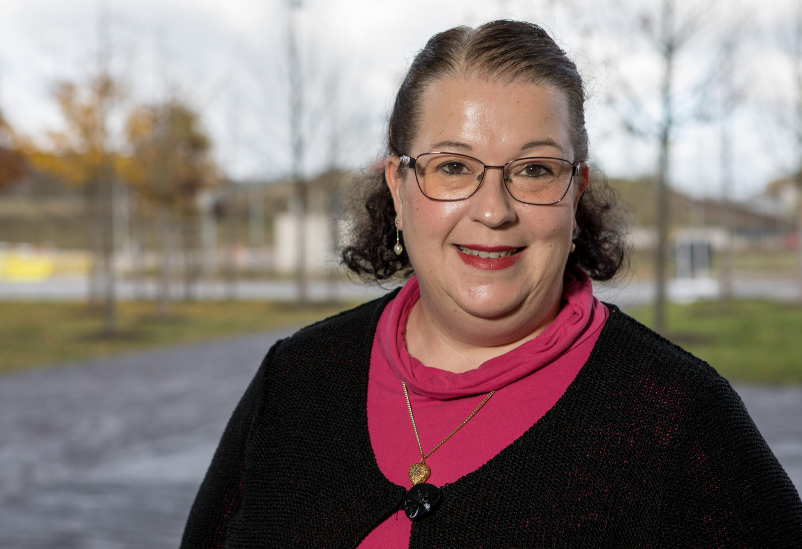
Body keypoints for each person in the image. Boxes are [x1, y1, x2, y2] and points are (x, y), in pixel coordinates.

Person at [181, 20, 802, 548]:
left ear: (575, 193)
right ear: (398, 186)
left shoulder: (679, 414)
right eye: (453, 166)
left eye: (534, 170)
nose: (494, 210)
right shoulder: (295, 378)